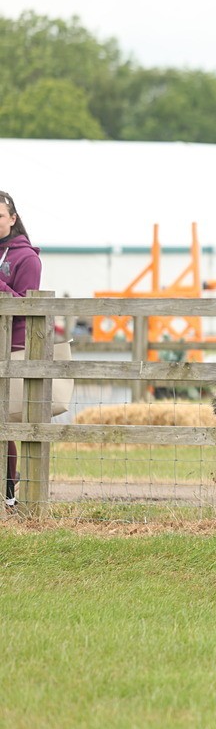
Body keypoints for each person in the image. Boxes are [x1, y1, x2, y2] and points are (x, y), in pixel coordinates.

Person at [1, 190, 41, 507]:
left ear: (12, 219)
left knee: (5, 422)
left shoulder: (26, 259)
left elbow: (25, 306)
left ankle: (8, 489)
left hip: (13, 349)